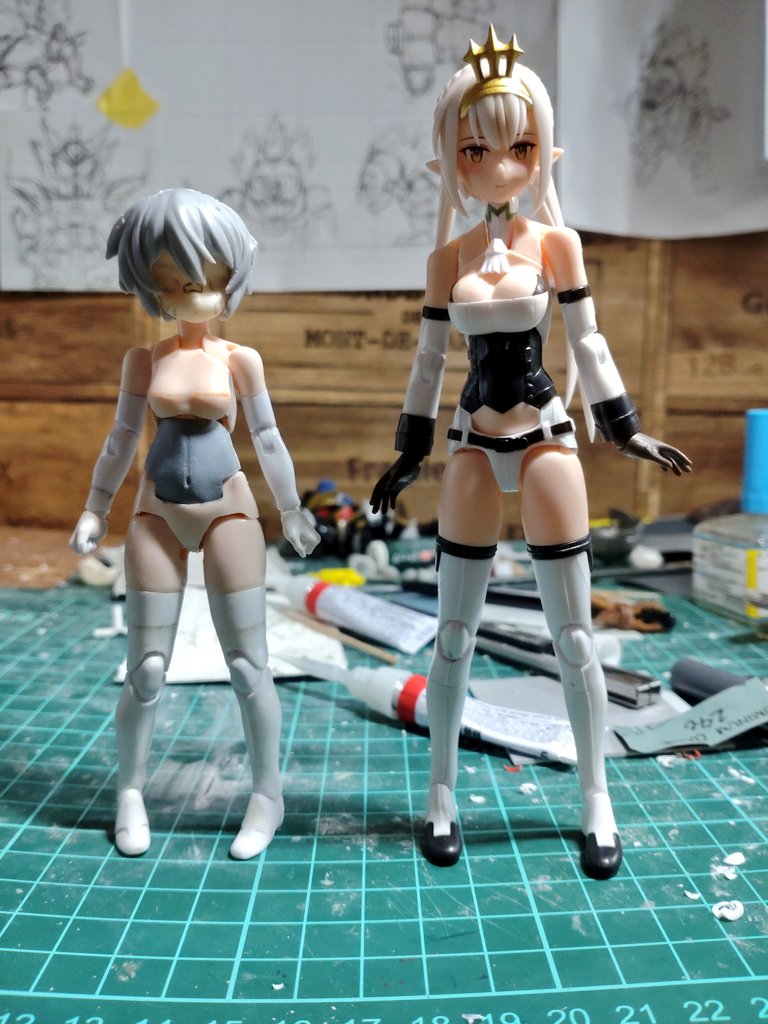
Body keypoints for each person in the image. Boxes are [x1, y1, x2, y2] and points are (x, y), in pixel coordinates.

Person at [371, 27, 691, 879]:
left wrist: (624, 427)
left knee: (575, 636)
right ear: (452, 157)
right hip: (473, 444)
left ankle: (595, 797)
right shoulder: (447, 259)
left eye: (520, 147)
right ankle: (441, 794)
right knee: (453, 635)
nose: (500, 166)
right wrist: (407, 451)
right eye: (476, 149)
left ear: (542, 150)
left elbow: (589, 344)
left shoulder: (557, 245)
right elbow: (428, 363)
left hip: (546, 435)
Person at [70, 188, 319, 859]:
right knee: (147, 669)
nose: (188, 291)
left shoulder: (239, 360)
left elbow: (267, 438)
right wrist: (95, 505)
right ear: (146, 282)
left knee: (248, 666)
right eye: (169, 278)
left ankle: (267, 795)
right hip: (155, 513)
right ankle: (129, 792)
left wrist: (291, 509)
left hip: (228, 511)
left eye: (204, 275)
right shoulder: (144, 360)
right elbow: (122, 438)